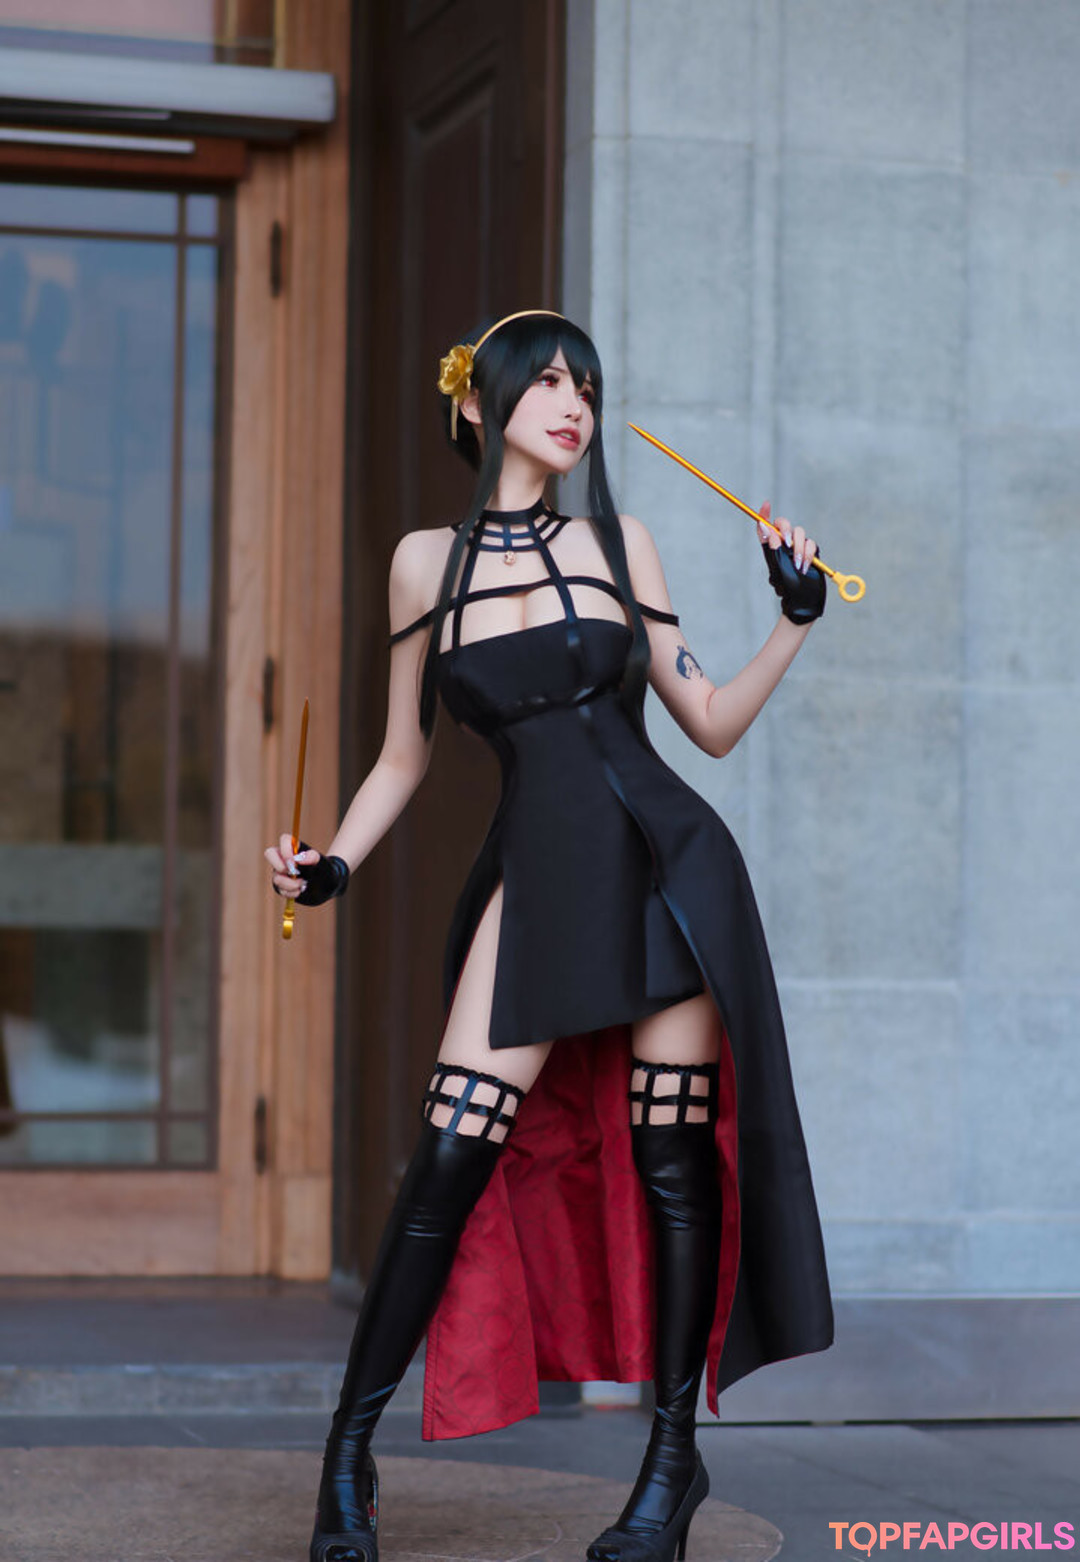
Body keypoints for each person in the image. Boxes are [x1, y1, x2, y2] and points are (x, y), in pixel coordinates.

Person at [265, 308, 834, 1562]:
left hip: (668, 868)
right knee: (448, 1154)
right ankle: (348, 1455)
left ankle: (670, 1467)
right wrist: (334, 863)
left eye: (587, 382)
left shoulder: (621, 542)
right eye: (547, 380)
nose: (573, 401)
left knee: (674, 1164)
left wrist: (792, 620)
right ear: (478, 404)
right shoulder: (426, 563)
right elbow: (402, 755)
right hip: (534, 879)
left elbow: (708, 722)